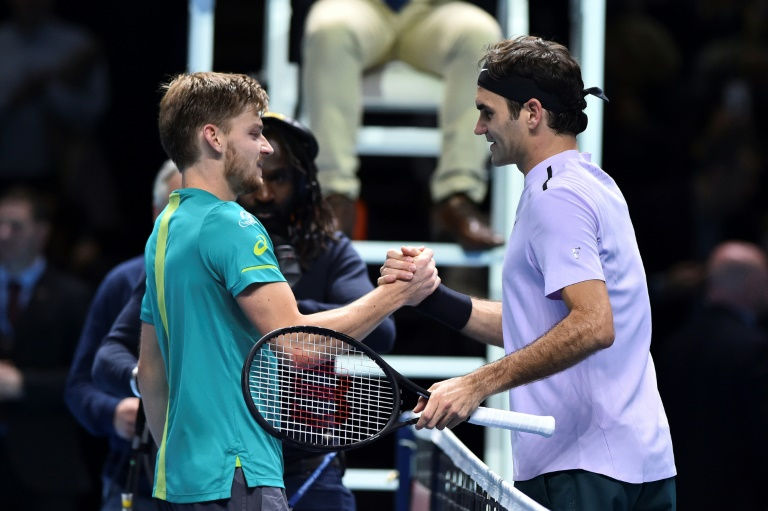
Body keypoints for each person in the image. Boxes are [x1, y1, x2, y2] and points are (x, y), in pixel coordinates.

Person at [379, 36, 676, 510]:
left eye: (488, 112)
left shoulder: (555, 198)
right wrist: (431, 296)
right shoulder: (590, 183)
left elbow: (593, 325)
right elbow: (537, 326)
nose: (478, 128)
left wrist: (476, 383)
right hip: (634, 461)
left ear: (532, 112)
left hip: (582, 465)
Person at [137, 71, 438, 509]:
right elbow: (295, 344)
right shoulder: (233, 224)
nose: (266, 147)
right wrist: (397, 294)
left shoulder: (164, 230)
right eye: (255, 132)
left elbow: (150, 372)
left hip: (182, 481)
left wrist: (178, 457)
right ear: (214, 138)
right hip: (240, 474)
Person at [94, 112, 395, 510]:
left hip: (303, 460)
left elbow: (381, 332)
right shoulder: (202, 235)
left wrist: (258, 304)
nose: (266, 192)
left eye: (280, 178)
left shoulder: (327, 249)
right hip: (225, 459)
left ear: (302, 182)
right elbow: (120, 358)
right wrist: (174, 381)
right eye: (260, 169)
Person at [302, 0, 504, 249]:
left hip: (432, 10)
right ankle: (334, 198)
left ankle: (458, 198)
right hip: (360, 7)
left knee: (479, 34)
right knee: (328, 29)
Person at [64, 160, 181, 511]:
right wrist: (114, 410)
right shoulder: (124, 281)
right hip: (136, 478)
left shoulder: (237, 274)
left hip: (218, 474)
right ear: (156, 212)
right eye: (180, 204)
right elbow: (81, 383)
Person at [0, 186, 93, 511]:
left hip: (48, 467)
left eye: (15, 226)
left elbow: (86, 379)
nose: (4, 234)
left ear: (41, 232)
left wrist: (23, 384)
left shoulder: (72, 297)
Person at [657, 241, 768, 510]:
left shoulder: (672, 346)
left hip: (681, 494)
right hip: (740, 496)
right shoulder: (756, 348)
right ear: (751, 283)